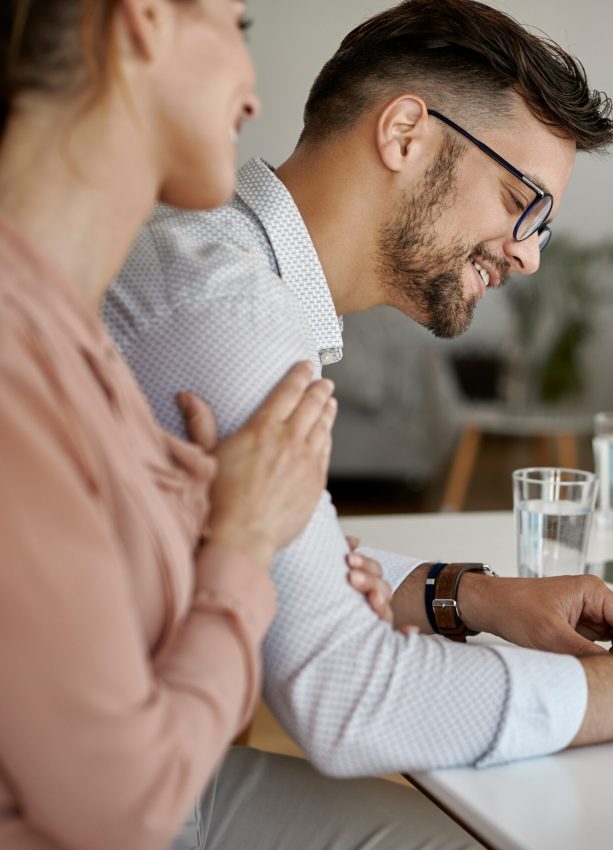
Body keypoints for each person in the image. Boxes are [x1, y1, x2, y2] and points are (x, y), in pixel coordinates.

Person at [104, 0, 613, 823]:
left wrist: (469, 596)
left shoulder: (224, 264)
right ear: (405, 134)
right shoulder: (231, 313)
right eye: (523, 202)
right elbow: (346, 695)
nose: (527, 255)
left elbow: (275, 547)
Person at [0, 0, 348, 847]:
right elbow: (124, 806)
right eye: (239, 25)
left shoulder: (69, 333)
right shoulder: (18, 363)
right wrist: (245, 547)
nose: (255, 96)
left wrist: (211, 517)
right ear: (145, 17)